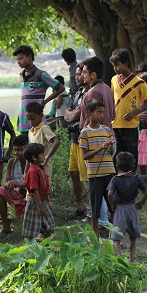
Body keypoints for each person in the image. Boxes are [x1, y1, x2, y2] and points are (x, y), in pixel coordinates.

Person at [109, 48, 147, 167]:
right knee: (116, 158)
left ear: (125, 63)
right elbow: (112, 98)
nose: (115, 68)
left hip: (131, 125)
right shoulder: (114, 80)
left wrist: (135, 113)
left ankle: (131, 182)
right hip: (115, 124)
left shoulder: (139, 82)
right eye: (113, 65)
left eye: (117, 65)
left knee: (131, 158)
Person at [79, 100, 116, 237]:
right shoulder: (84, 133)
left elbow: (112, 153)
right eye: (99, 112)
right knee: (95, 207)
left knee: (113, 204)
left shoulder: (106, 130)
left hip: (109, 172)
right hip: (95, 174)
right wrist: (100, 147)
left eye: (103, 112)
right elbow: (85, 156)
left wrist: (110, 147)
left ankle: (115, 236)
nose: (102, 115)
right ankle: (95, 237)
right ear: (89, 113)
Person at [107, 152, 147, 262]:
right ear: (132, 166)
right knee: (133, 236)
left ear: (117, 166)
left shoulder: (115, 179)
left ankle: (119, 259)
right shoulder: (136, 178)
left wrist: (112, 204)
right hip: (132, 208)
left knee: (116, 238)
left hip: (120, 209)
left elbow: (109, 194)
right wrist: (142, 203)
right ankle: (131, 259)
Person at [14, 44, 64, 133]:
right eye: (17, 59)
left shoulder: (41, 74)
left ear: (29, 57)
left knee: (38, 145)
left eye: (21, 58)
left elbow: (60, 88)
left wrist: (45, 101)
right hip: (23, 120)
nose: (18, 62)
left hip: (37, 120)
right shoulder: (21, 75)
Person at [64, 63, 88, 217]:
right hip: (74, 139)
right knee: (74, 172)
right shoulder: (77, 93)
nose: (78, 77)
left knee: (86, 175)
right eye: (77, 74)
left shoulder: (89, 94)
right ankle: (81, 205)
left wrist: (71, 114)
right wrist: (71, 114)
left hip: (83, 140)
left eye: (81, 74)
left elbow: (71, 115)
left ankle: (92, 209)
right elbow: (68, 114)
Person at [0, 134, 29, 236]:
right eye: (15, 150)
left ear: (27, 148)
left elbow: (33, 183)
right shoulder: (12, 162)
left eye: (20, 150)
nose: (17, 153)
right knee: (0, 191)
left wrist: (20, 184)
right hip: (17, 192)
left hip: (31, 192)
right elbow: (7, 181)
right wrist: (9, 184)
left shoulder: (32, 161)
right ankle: (6, 226)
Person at [21, 143, 55, 241]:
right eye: (42, 154)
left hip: (43, 201)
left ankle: (43, 241)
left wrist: (48, 201)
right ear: (34, 157)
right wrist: (40, 207)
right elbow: (34, 189)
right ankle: (33, 244)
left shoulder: (40, 168)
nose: (44, 156)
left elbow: (45, 187)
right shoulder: (33, 171)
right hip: (36, 202)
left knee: (49, 224)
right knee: (33, 227)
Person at [26, 101, 60, 179]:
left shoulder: (44, 128)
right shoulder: (30, 131)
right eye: (29, 119)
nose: (31, 122)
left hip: (43, 168)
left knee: (43, 189)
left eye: (33, 119)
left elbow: (56, 141)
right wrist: (26, 171)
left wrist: (47, 157)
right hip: (32, 169)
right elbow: (29, 153)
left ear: (41, 116)